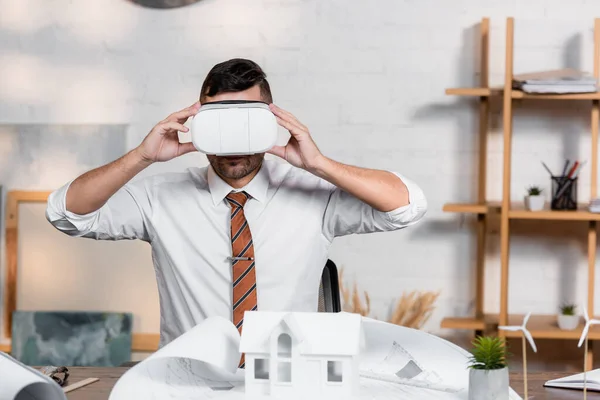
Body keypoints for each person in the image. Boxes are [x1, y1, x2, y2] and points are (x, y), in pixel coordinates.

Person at [46, 58, 427, 357]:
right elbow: (66, 213)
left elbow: (406, 205)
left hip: (286, 383)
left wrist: (319, 164)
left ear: (273, 120)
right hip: (188, 382)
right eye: (220, 120)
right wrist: (142, 156)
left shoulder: (315, 193)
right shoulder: (159, 196)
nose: (234, 140)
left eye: (246, 120)